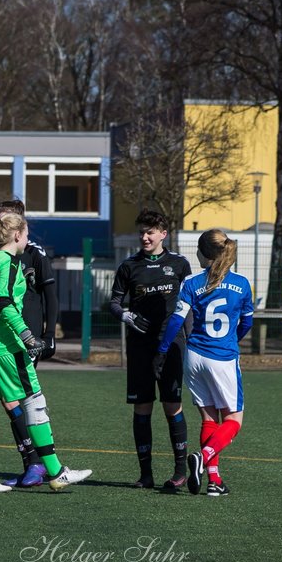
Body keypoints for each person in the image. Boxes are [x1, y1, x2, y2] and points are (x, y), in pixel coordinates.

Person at [0, 213, 92, 493]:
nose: (27, 239)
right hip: (5, 345)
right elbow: (4, 301)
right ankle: (57, 472)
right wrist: (27, 335)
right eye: (26, 234)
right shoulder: (8, 261)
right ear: (17, 236)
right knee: (34, 400)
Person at [156, 230, 253, 496]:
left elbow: (177, 320)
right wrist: (234, 339)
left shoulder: (191, 282)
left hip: (195, 356)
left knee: (209, 418)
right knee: (233, 420)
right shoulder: (242, 284)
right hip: (222, 357)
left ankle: (214, 481)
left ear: (203, 253)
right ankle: (204, 455)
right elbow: (247, 322)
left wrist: (163, 348)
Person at [109, 209, 193, 490]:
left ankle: (180, 472)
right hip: (140, 346)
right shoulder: (128, 266)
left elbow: (189, 307)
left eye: (150, 232)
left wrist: (190, 339)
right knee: (142, 407)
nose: (144, 237)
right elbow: (114, 303)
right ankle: (145, 475)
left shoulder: (180, 264)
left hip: (171, 345)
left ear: (163, 234)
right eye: (141, 233)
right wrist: (126, 316)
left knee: (172, 405)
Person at [0, 199, 60, 487]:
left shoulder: (34, 254)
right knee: (11, 401)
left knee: (17, 399)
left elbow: (50, 295)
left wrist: (48, 334)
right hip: (3, 338)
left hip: (26, 337)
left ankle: (38, 463)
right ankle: (35, 462)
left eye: (2, 220)